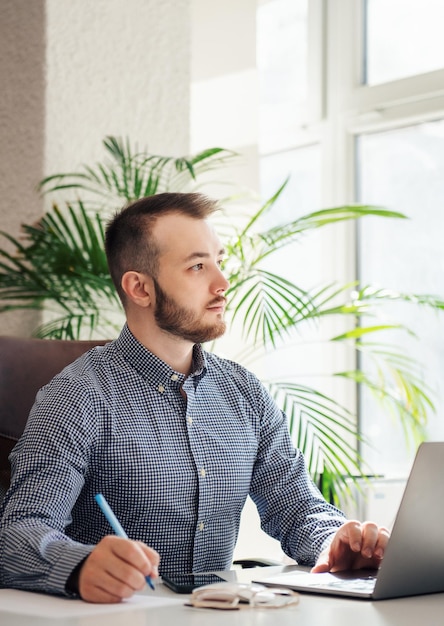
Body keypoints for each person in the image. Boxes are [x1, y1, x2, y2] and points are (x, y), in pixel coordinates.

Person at [0, 192, 390, 603]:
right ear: (140, 288)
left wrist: (336, 542)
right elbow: (17, 533)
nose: (222, 283)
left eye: (219, 261)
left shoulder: (245, 392)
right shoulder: (78, 395)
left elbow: (297, 508)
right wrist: (77, 565)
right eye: (198, 266)